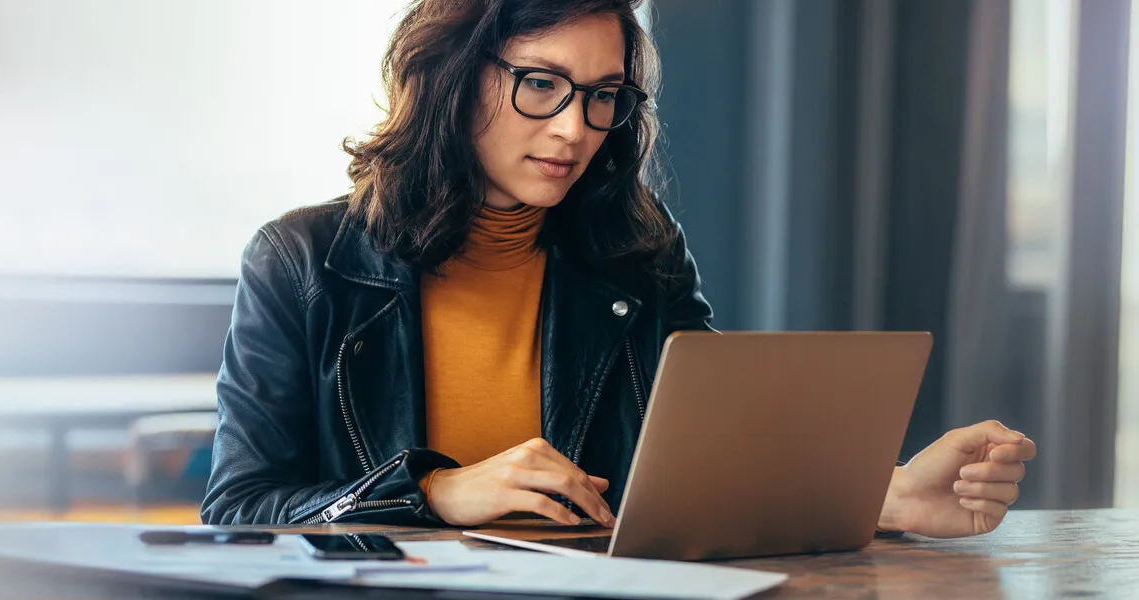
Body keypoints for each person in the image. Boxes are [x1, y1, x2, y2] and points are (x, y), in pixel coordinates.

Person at [201, 0, 1037, 539]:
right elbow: (238, 511)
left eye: (604, 95)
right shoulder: (302, 261)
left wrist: (882, 496)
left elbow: (711, 465)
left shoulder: (637, 249)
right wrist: (437, 492)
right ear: (449, 78)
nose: (575, 128)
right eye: (541, 84)